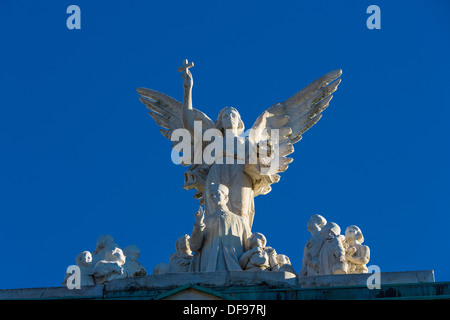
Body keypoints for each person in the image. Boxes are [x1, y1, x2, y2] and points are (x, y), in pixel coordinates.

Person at [189, 184, 252, 272]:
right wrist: (199, 224)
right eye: (211, 195)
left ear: (226, 198)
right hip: (209, 267)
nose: (214, 197)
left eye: (217, 193)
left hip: (235, 267)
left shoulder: (240, 221)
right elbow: (194, 246)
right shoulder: (206, 221)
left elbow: (248, 245)